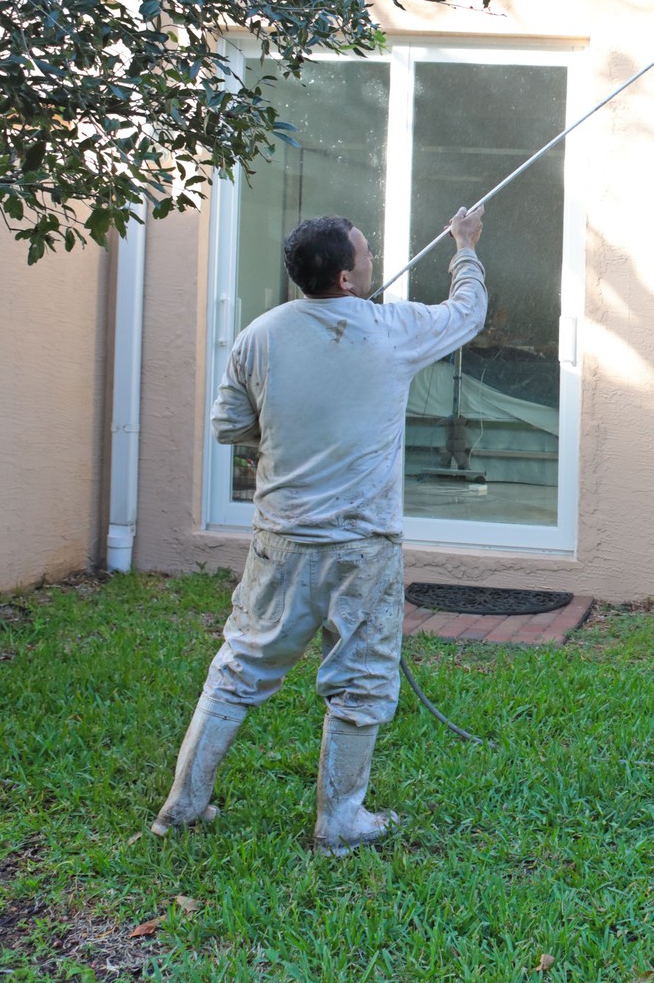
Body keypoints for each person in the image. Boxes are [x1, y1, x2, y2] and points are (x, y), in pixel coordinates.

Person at [153, 206, 486, 854]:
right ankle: (340, 822)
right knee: (361, 679)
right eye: (364, 254)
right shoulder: (391, 331)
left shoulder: (259, 336)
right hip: (362, 548)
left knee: (238, 669)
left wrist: (280, 431)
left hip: (280, 542)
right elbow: (467, 313)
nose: (370, 259)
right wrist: (465, 246)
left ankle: (183, 808)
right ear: (344, 279)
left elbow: (228, 426)